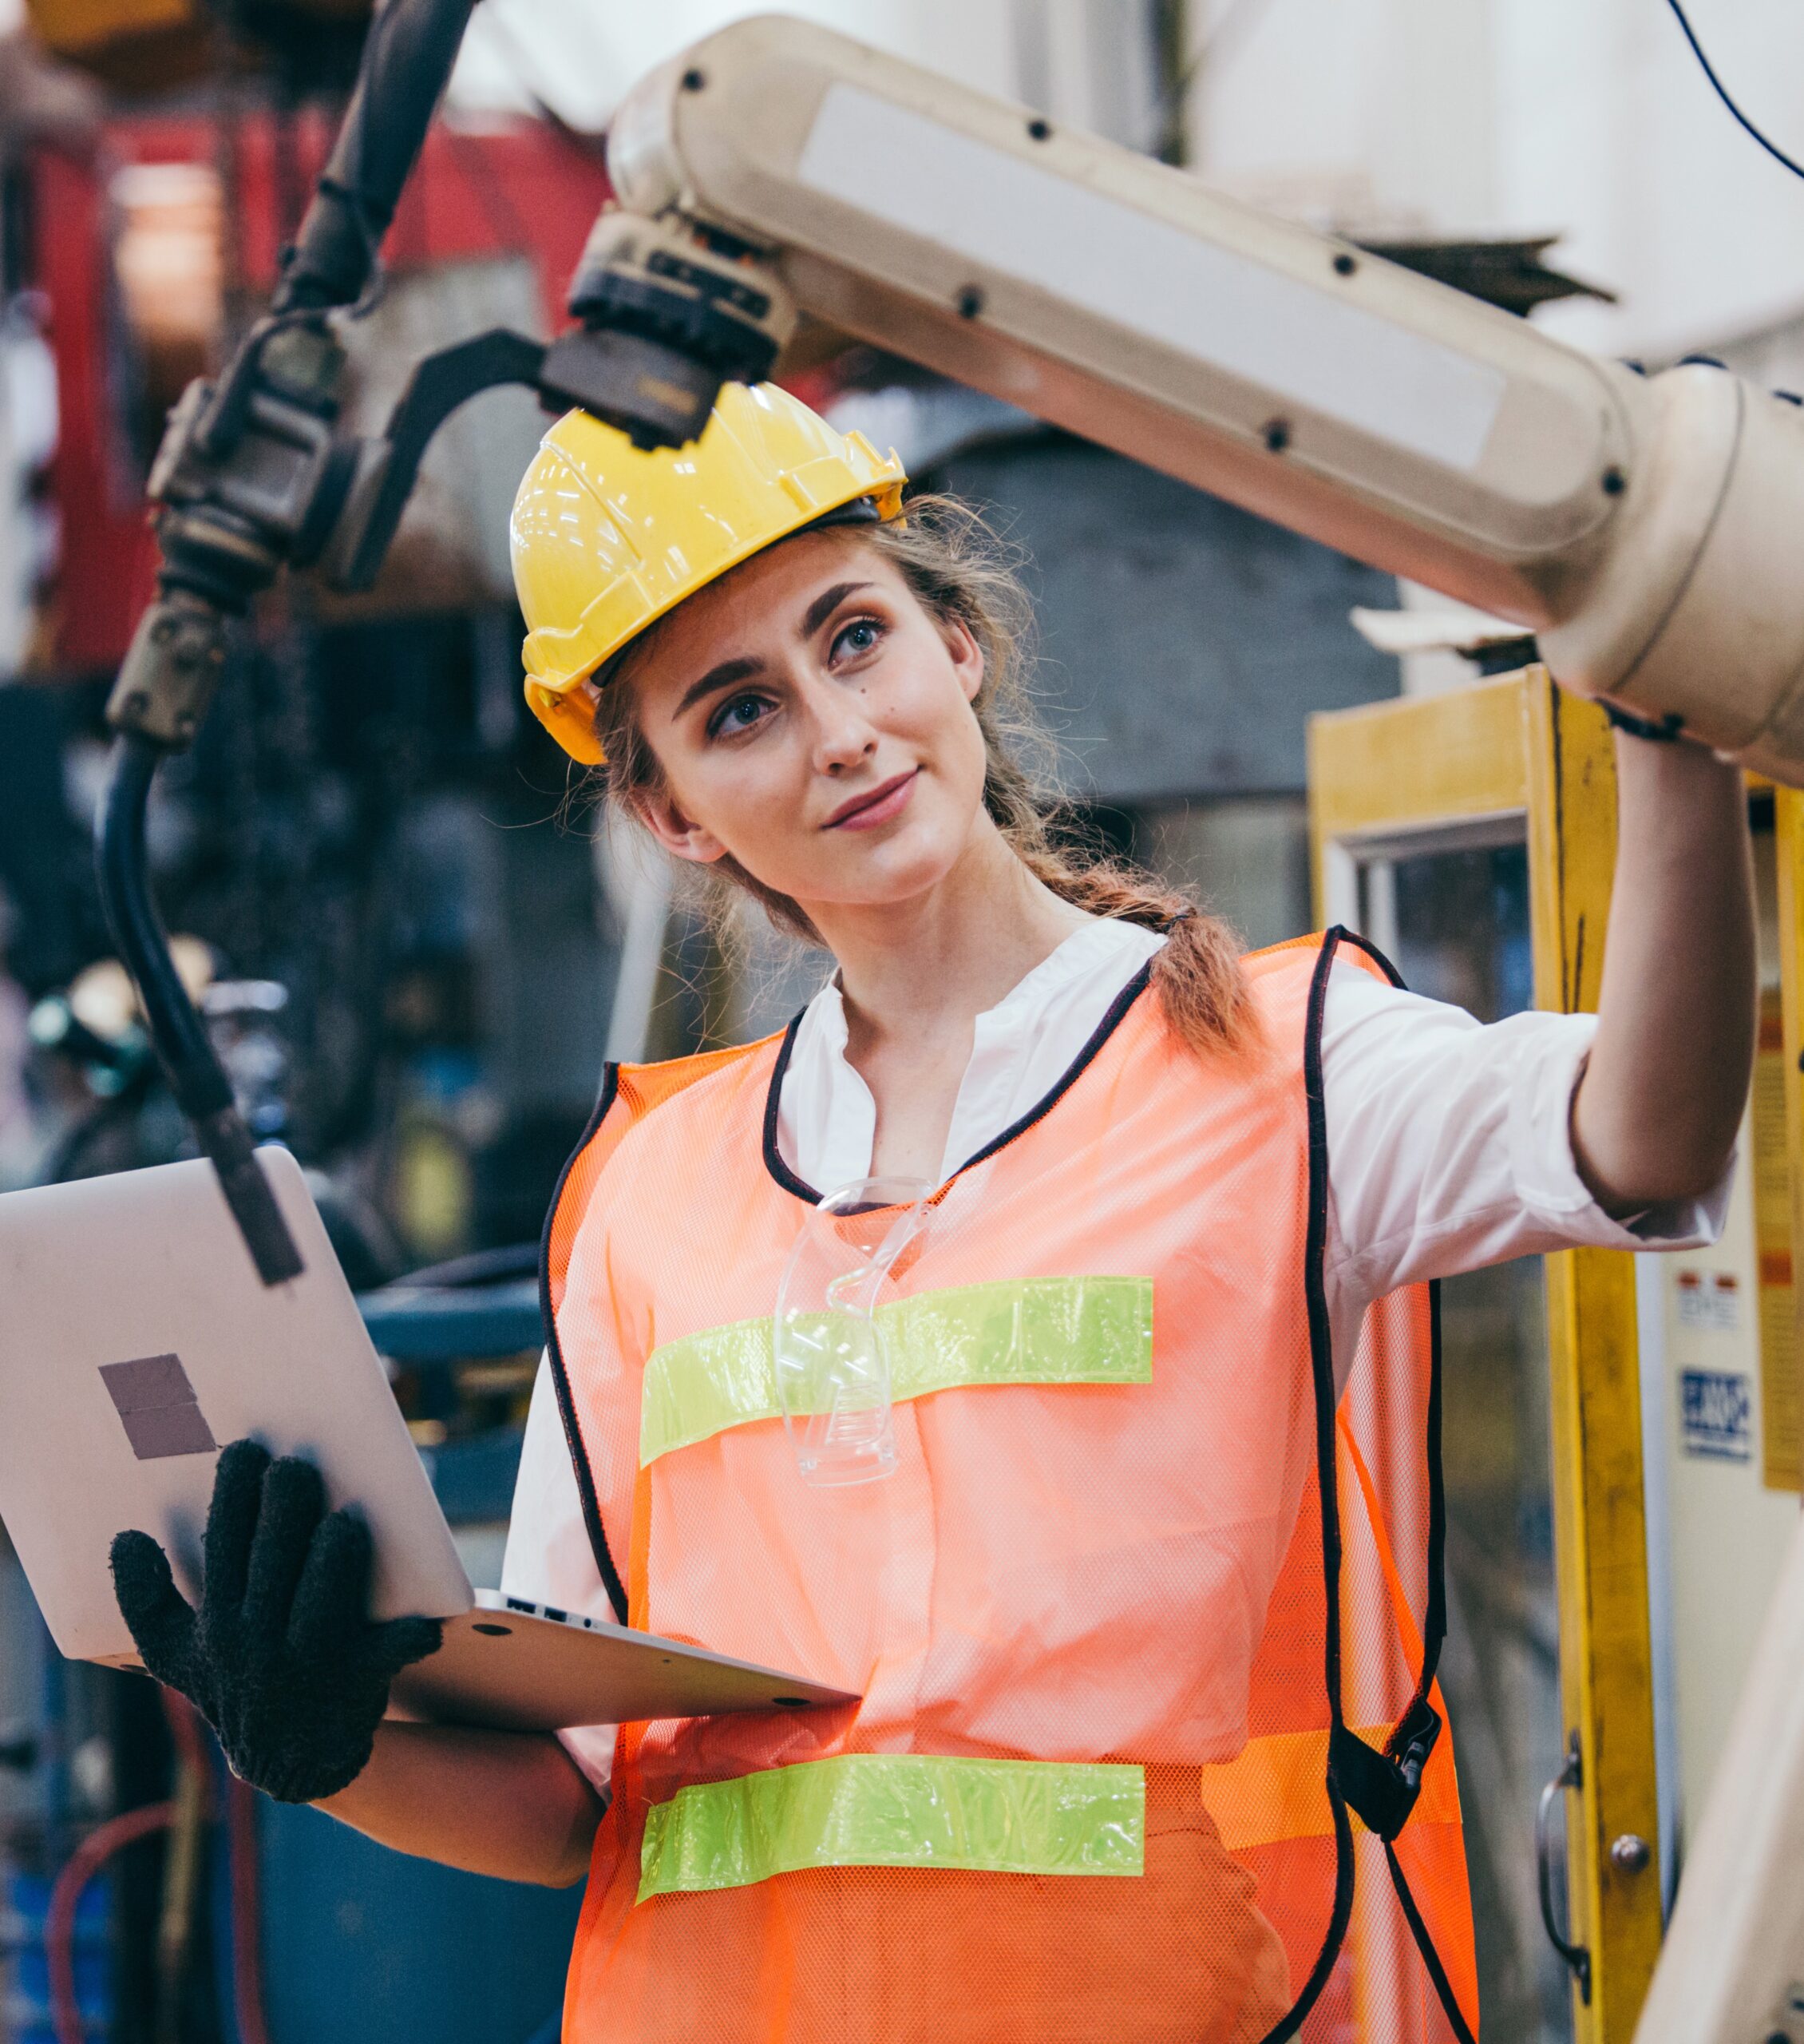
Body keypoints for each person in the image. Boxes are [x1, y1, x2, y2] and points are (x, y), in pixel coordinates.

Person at [110, 383, 1754, 2043]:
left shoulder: (1273, 1062)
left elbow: (1637, 1129)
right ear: (672, 808)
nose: (836, 730)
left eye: (853, 637)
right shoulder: (642, 1198)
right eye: (738, 710)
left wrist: (1663, 725)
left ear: (953, 642)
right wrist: (321, 1745)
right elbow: (571, 1803)